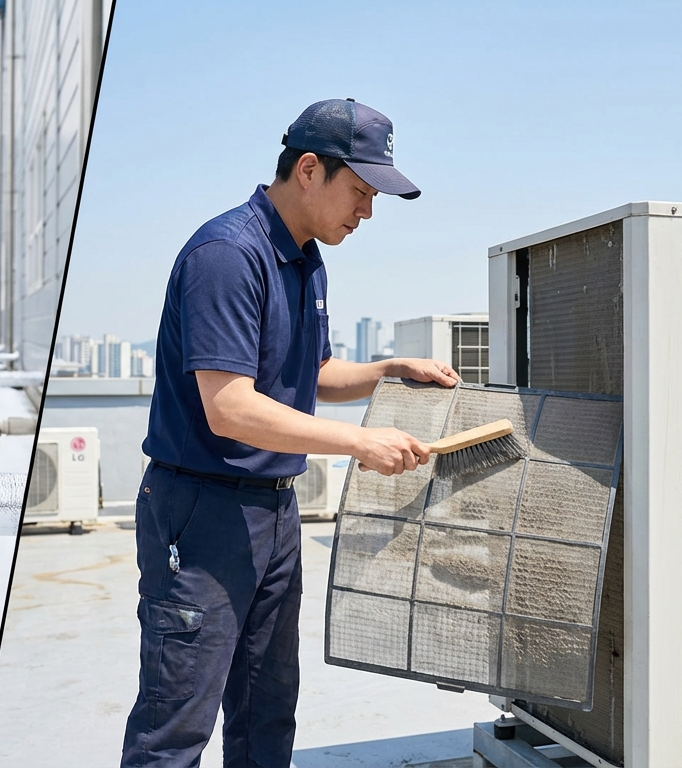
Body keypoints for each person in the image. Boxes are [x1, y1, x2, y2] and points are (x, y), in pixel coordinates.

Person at [120, 98, 459, 767]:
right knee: (177, 722)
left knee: (266, 713)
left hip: (273, 509)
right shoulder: (227, 255)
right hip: (202, 511)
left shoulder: (305, 260)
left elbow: (314, 371)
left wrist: (388, 369)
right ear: (309, 169)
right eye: (359, 192)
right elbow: (230, 407)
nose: (366, 212)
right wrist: (360, 443)